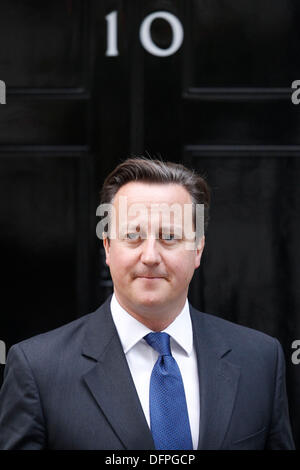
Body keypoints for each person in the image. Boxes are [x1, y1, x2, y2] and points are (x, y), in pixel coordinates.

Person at [0, 157, 295, 450]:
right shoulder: (38, 370)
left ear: (198, 249)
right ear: (107, 247)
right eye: (132, 236)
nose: (151, 256)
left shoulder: (260, 360)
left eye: (169, 237)